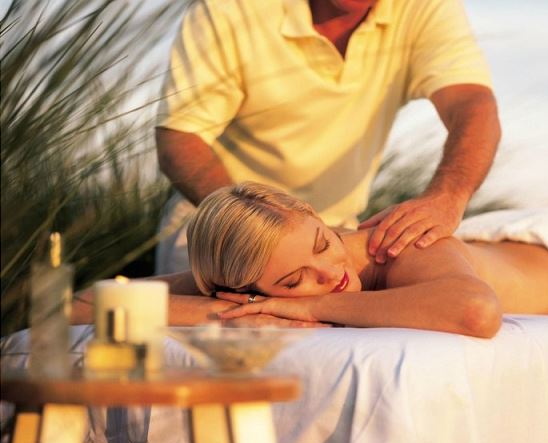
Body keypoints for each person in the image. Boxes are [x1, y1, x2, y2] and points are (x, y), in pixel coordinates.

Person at [154, 0, 501, 274]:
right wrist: (257, 226)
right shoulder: (228, 8)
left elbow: (472, 104)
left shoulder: (424, 8)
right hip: (221, 233)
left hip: (337, 237)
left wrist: (447, 197)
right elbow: (180, 138)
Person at [152, 182, 548, 338]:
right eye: (295, 281)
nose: (330, 273)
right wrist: (231, 314)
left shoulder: (400, 248)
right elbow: (110, 300)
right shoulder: (256, 270)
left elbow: (476, 312)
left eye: (323, 243)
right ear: (245, 289)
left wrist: (309, 304)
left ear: (315, 217)